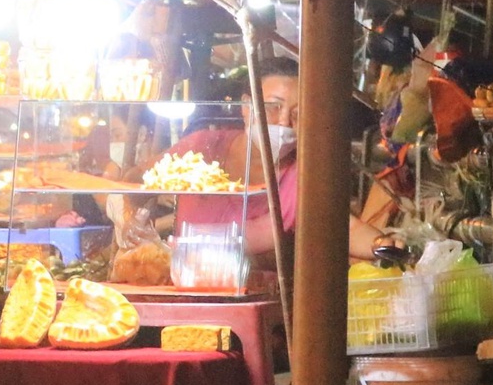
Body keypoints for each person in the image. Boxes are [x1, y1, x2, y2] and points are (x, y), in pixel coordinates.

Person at [150, 58, 392, 261]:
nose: (284, 121)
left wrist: (383, 245)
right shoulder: (201, 148)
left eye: (297, 113)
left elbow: (344, 227)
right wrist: (133, 224)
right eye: (273, 107)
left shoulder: (302, 177)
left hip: (256, 294)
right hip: (177, 285)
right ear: (246, 106)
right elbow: (138, 180)